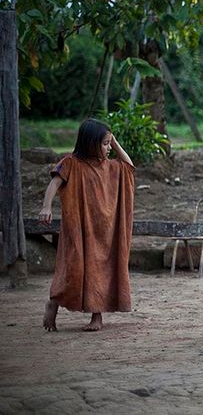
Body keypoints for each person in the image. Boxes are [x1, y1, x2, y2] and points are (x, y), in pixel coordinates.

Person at [38, 119, 135, 332]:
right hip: (80, 229)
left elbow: (128, 166)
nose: (109, 148)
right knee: (74, 268)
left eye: (110, 144)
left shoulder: (111, 166)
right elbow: (55, 182)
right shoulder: (71, 163)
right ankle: (54, 302)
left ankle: (96, 316)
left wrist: (114, 141)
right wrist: (46, 206)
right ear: (90, 143)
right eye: (105, 144)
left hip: (105, 231)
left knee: (100, 270)